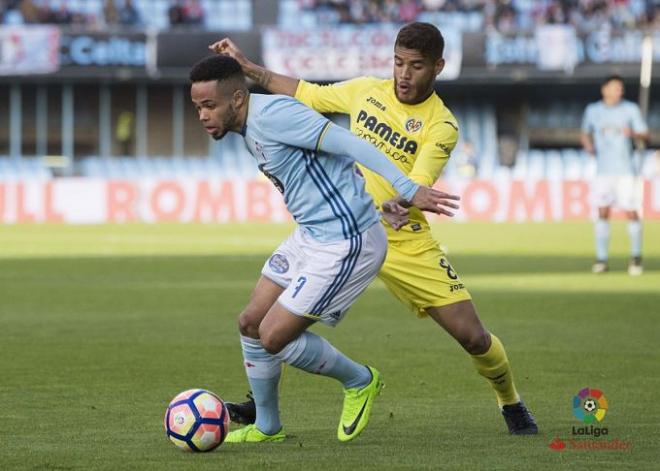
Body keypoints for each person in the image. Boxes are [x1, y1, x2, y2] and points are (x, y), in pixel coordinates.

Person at [212, 22, 538, 435]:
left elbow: (418, 181)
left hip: (404, 240)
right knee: (259, 321)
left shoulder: (442, 125)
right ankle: (263, 408)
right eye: (398, 63)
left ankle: (510, 401)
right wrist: (250, 69)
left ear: (438, 66)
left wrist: (399, 202)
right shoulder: (367, 90)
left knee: (473, 337)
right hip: (337, 230)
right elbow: (308, 93)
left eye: (416, 66)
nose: (404, 74)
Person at [189, 54, 460, 443]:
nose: (202, 115)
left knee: (273, 337)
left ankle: (360, 381)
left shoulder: (275, 115)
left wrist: (407, 188)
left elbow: (349, 142)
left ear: (236, 99)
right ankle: (267, 427)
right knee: (250, 322)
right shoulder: (249, 125)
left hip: (348, 239)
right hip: (312, 235)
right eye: (197, 106)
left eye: (208, 105)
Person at [581, 75, 649, 275]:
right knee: (602, 212)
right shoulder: (593, 111)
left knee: (632, 211)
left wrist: (634, 134)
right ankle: (601, 259)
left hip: (626, 170)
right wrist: (588, 145)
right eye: (614, 88)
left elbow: (645, 134)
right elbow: (585, 132)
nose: (618, 92)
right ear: (605, 90)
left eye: (620, 88)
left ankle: (635, 257)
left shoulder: (630, 110)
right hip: (603, 170)